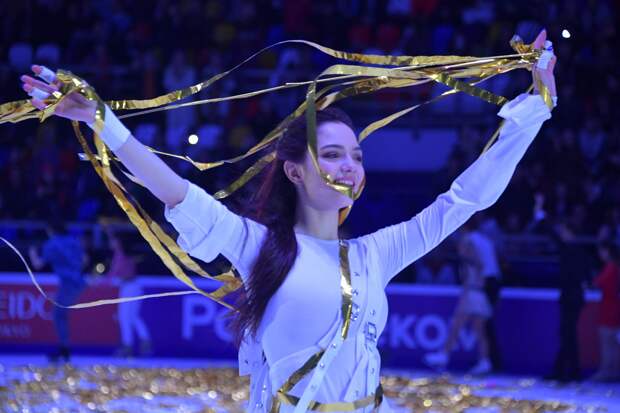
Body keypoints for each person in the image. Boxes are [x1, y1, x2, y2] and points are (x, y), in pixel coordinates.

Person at [20, 30, 556, 412]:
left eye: (356, 156)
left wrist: (536, 106)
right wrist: (102, 121)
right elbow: (174, 190)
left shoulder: (377, 253)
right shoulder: (256, 245)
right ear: (295, 171)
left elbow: (463, 200)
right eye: (333, 154)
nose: (349, 166)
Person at [423, 222, 494, 375]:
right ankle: (484, 361)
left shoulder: (468, 241)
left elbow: (478, 263)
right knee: (479, 329)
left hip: (473, 291)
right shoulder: (474, 242)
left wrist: (466, 258)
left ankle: (444, 355)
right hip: (478, 291)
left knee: (457, 324)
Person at [28, 219, 87, 362]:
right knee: (61, 315)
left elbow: (38, 264)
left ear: (51, 230)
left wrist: (32, 253)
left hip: (69, 284)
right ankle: (64, 349)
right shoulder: (74, 241)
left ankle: (64, 350)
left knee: (58, 315)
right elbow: (85, 260)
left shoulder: (51, 244)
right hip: (78, 282)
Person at [102, 224, 151, 357]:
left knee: (124, 318)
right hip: (133, 287)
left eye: (112, 241)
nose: (110, 243)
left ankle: (128, 346)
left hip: (129, 288)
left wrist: (99, 282)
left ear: (118, 242)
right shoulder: (124, 253)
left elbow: (113, 273)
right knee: (132, 317)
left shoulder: (120, 254)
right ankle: (145, 341)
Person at [590, 242, 620, 382]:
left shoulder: (611, 267)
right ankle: (613, 371)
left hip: (610, 308)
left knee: (608, 341)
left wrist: (594, 282)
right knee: (613, 342)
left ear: (607, 251)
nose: (600, 254)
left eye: (601, 251)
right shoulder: (615, 267)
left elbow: (600, 283)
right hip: (614, 308)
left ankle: (606, 371)